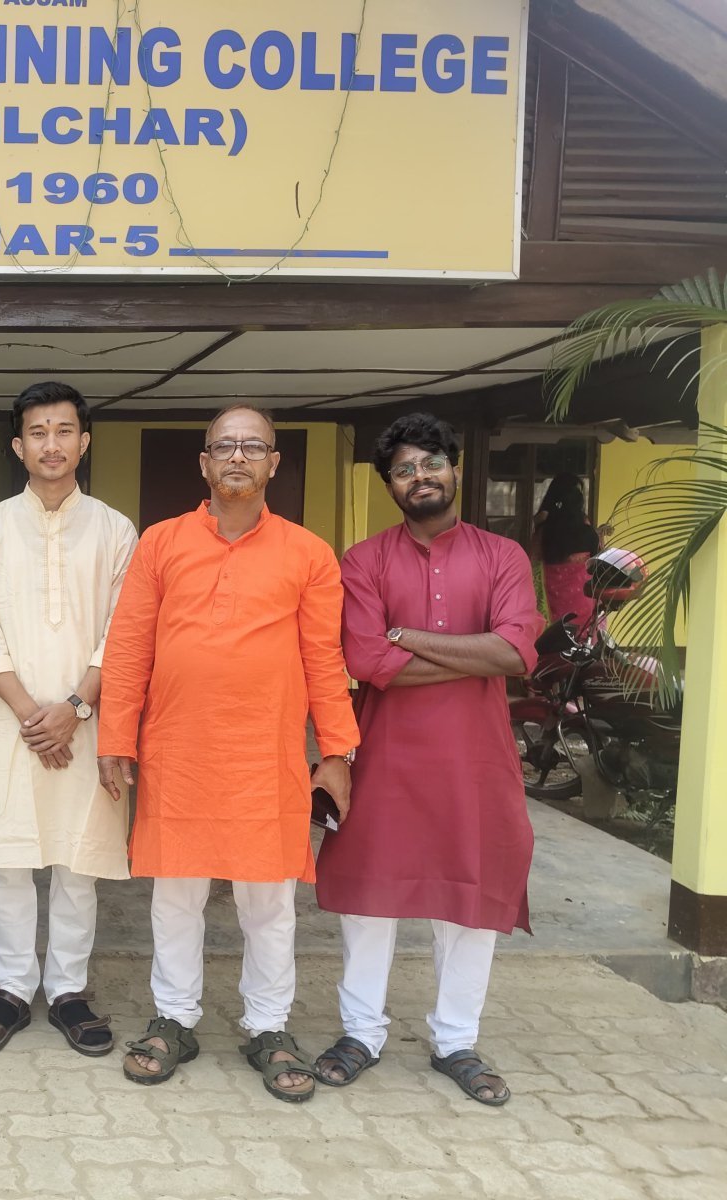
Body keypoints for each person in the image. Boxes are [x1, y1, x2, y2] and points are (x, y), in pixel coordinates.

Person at [98, 405, 358, 1101]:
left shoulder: (308, 553)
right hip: (177, 750)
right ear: (204, 462)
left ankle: (268, 1027)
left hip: (264, 755)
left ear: (274, 463)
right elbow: (129, 647)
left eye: (252, 446)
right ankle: (174, 1019)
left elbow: (324, 659)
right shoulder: (160, 542)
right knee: (175, 893)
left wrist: (337, 750)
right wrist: (116, 737)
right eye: (225, 446)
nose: (238, 456)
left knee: (268, 900)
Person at [313, 413, 541, 1107]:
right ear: (390, 485)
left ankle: (456, 1041)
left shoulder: (502, 556)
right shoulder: (364, 560)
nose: (421, 477)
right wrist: (473, 653)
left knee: (470, 898)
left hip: (476, 758)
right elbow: (365, 659)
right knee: (370, 895)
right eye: (405, 470)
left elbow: (516, 652)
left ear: (455, 470)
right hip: (386, 756)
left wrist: (407, 636)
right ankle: (361, 1033)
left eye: (431, 463)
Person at [0, 382, 137, 1059]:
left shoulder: (116, 530)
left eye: (64, 431)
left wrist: (75, 708)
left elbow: (123, 632)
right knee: (9, 862)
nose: (52, 444)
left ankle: (68, 991)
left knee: (76, 860)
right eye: (38, 432)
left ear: (84, 442)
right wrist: (34, 714)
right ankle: (10, 990)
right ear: (18, 446)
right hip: (11, 721)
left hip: (86, 719)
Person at [533, 473, 603, 634]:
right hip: (583, 604)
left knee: (552, 641)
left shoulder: (544, 530)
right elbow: (596, 566)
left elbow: (534, 564)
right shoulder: (588, 532)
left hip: (549, 602)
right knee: (583, 642)